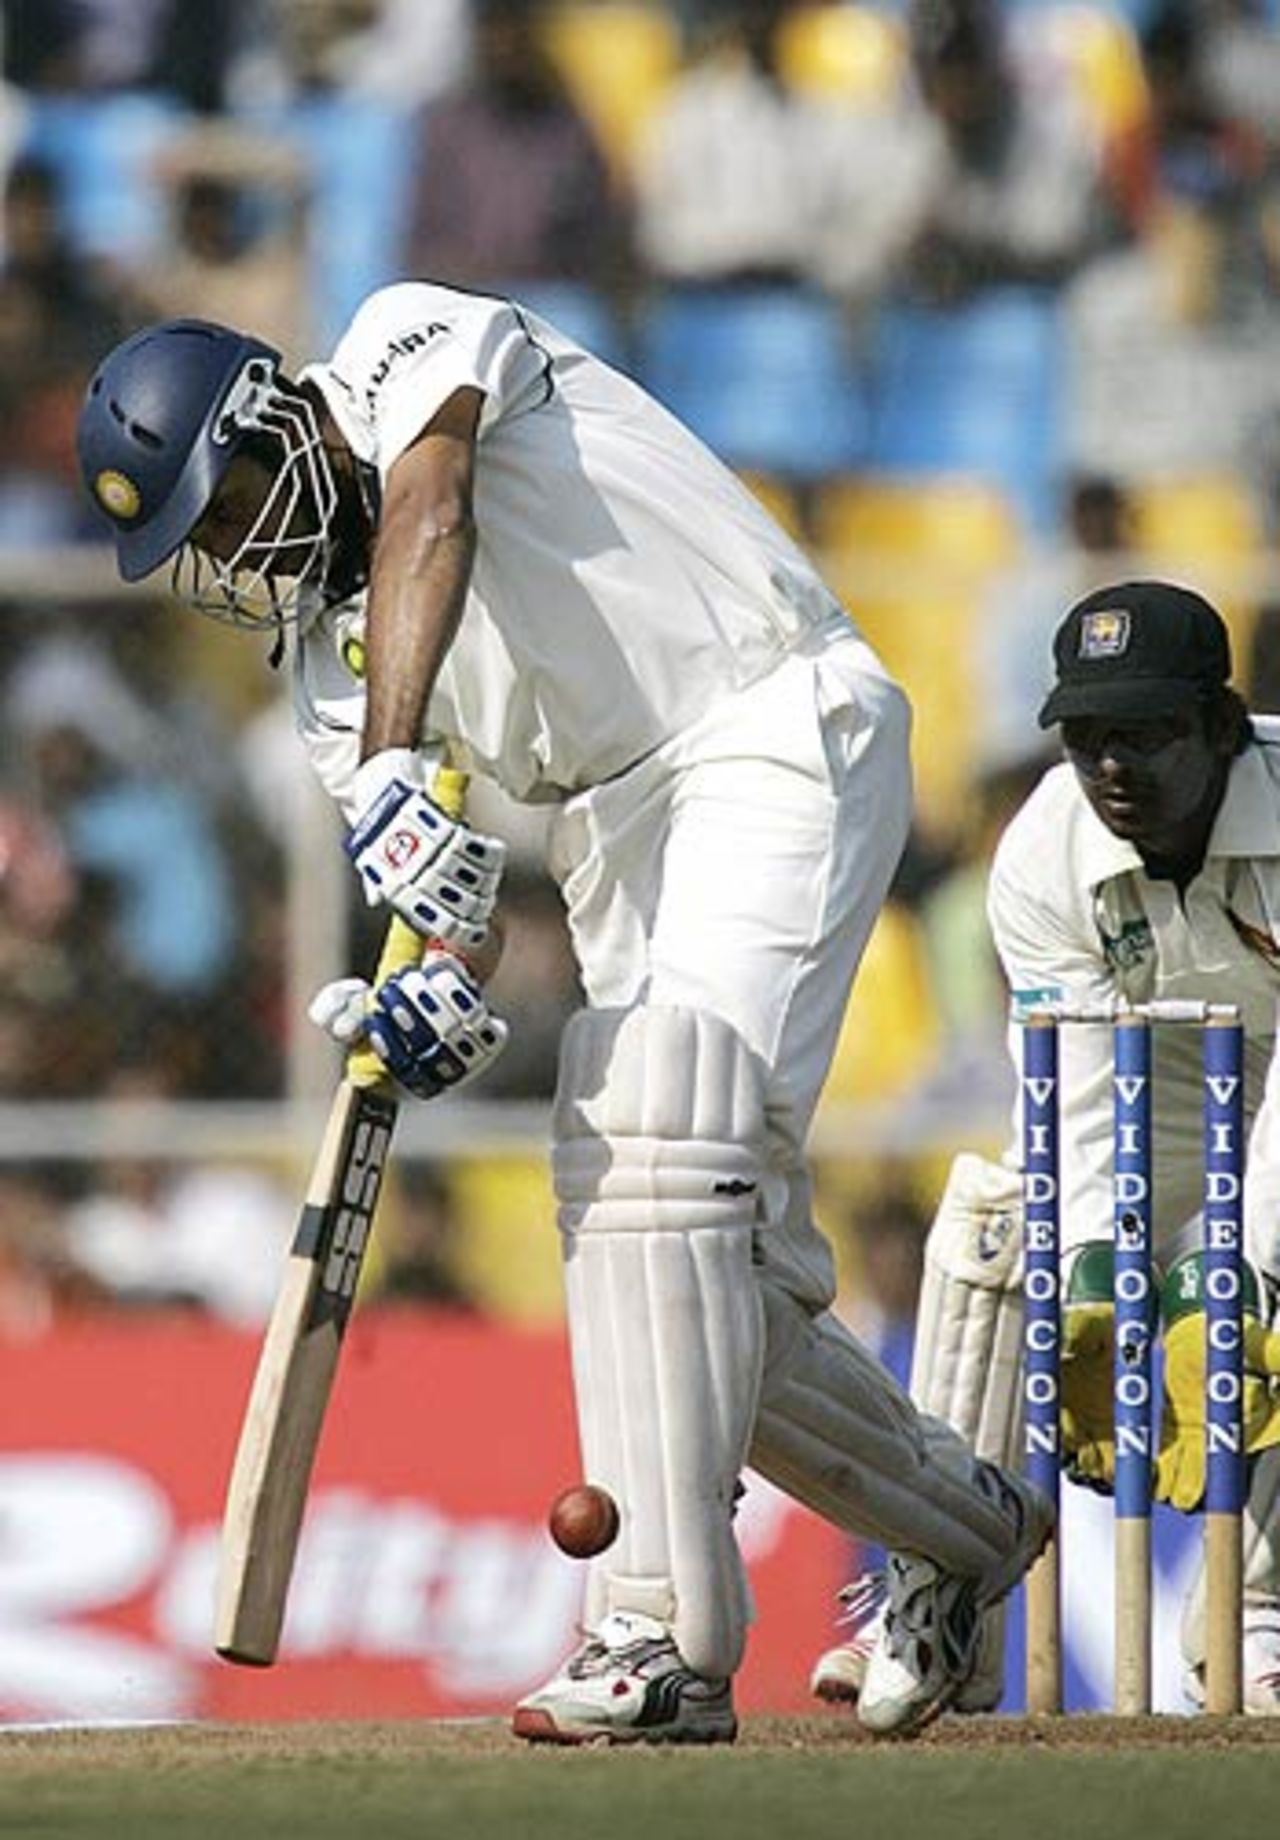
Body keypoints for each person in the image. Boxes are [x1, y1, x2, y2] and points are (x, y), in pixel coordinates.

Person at [74, 287, 1051, 1743]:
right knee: (679, 1260)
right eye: (205, 547)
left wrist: (403, 763)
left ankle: (657, 1628)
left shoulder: (405, 346)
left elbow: (435, 514)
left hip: (764, 723)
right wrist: (427, 1006)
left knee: (663, 1149)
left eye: (230, 506)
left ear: (277, 421)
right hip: (615, 836)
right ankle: (969, 1537)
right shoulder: (327, 681)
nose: (235, 552)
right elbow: (451, 927)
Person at [812, 578, 1280, 1715]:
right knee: (992, 1231)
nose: (1112, 767)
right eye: (1086, 739)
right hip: (1159, 1059)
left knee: (1265, 1274)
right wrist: (1091, 1277)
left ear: (1220, 726)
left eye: (1145, 735)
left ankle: (1253, 1614)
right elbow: (1075, 1090)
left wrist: (1246, 1272)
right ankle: (936, 1593)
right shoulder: (1041, 853)